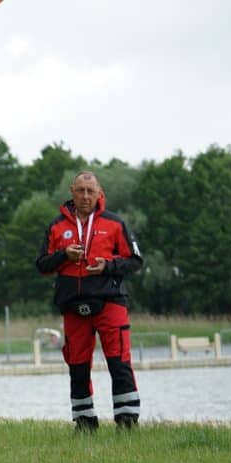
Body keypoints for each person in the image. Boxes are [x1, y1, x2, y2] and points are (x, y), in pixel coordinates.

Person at [36, 171, 143, 431]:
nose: (85, 196)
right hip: (72, 306)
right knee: (78, 365)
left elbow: (135, 261)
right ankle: (84, 424)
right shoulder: (56, 226)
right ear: (72, 191)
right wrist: (64, 256)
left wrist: (108, 266)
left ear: (99, 193)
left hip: (110, 303)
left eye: (90, 191)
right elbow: (42, 265)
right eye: (80, 190)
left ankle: (127, 423)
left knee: (119, 362)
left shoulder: (115, 224)